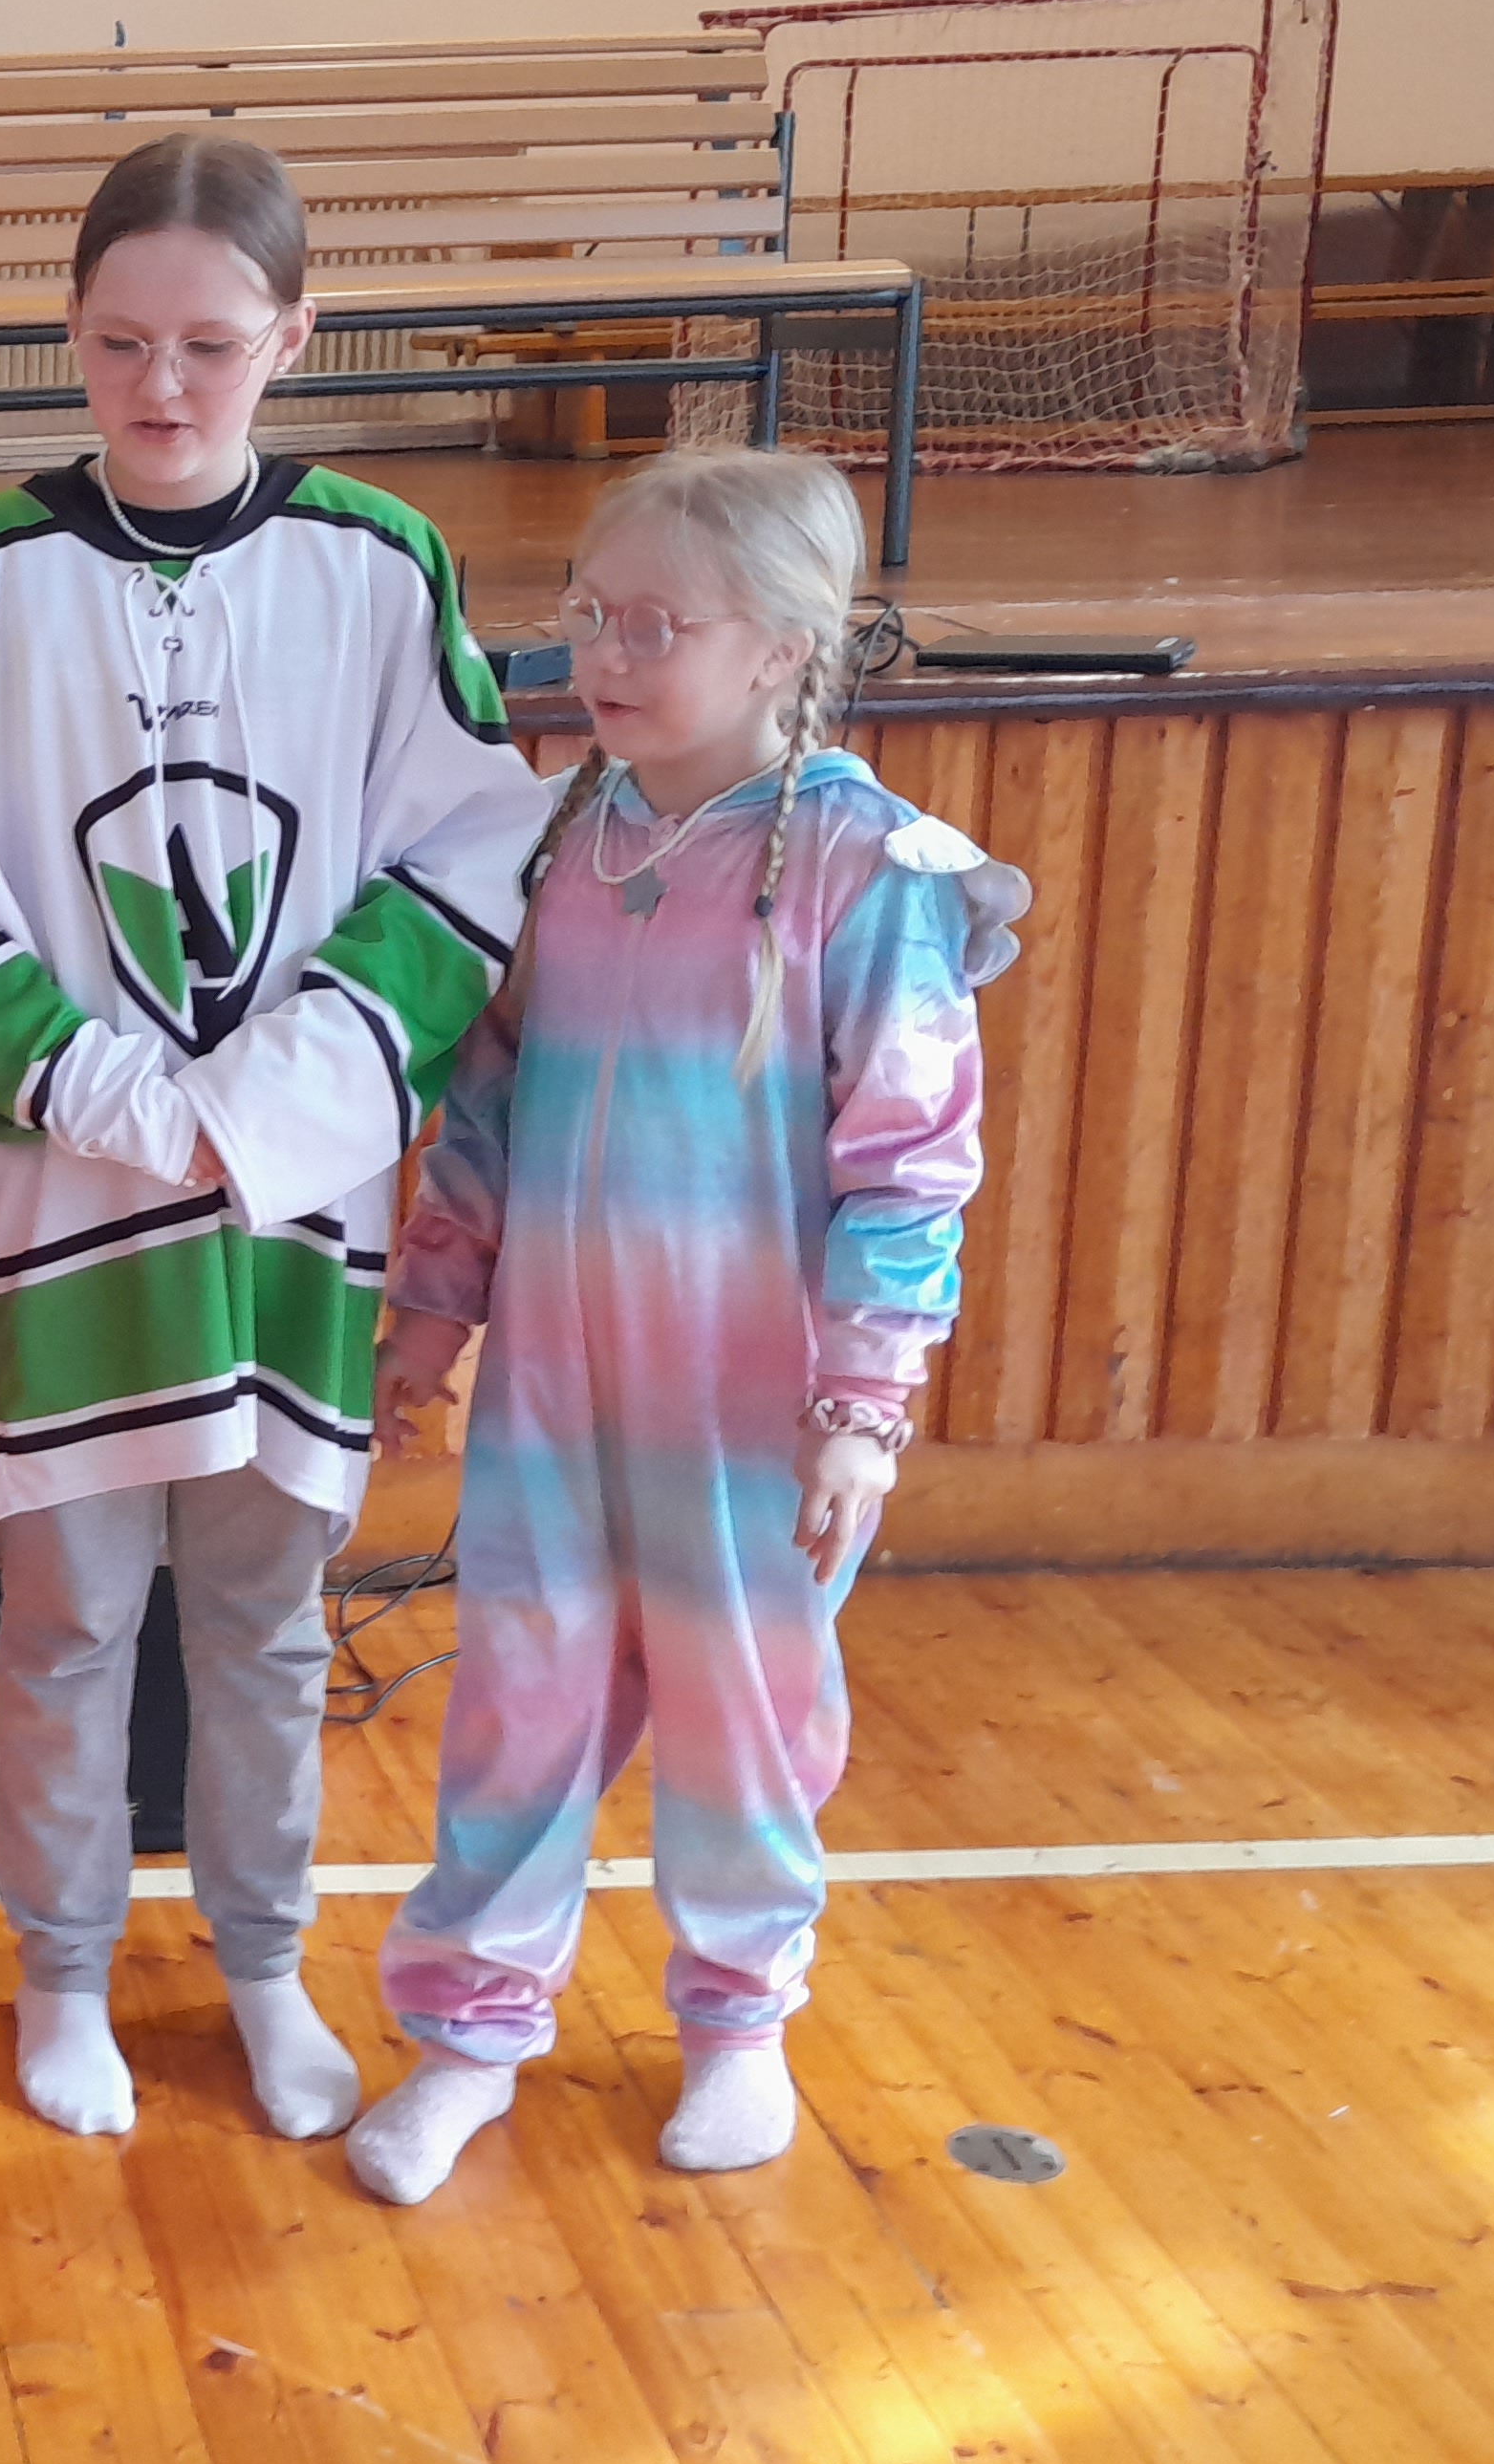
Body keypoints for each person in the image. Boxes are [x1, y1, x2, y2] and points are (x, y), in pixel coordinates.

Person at [0, 132, 552, 2147]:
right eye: (117, 343)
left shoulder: (380, 563)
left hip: (290, 1195)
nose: (160, 386)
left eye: (209, 344)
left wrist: (257, 1111)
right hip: (62, 1188)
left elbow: (462, 859)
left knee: (261, 1623)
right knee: (68, 1620)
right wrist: (118, 1101)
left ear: (294, 337)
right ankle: (62, 1974)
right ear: (71, 334)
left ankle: (263, 1967)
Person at [348, 446, 1026, 2205]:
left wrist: (860, 1405)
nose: (605, 654)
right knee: (519, 1706)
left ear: (785, 647)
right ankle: (469, 2037)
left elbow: (911, 1165)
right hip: (555, 1401)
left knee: (746, 1722)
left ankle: (738, 2026)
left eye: (658, 625)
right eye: (589, 612)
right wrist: (432, 1310)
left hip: (748, 1409)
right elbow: (487, 1106)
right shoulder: (553, 843)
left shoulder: (873, 871)